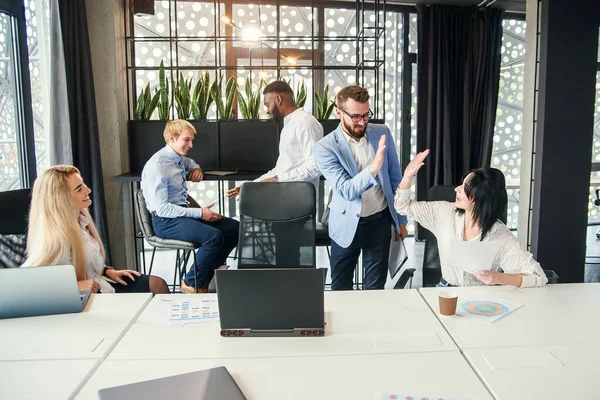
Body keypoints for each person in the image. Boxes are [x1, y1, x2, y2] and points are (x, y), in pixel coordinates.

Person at [394, 149, 547, 288]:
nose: (456, 189)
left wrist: (500, 278)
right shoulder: (444, 213)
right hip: (445, 292)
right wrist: (407, 177)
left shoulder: (500, 236)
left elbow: (538, 277)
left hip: (482, 300)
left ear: (481, 199)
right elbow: (402, 205)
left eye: (465, 188)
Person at [313, 85, 408, 290]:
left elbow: (394, 178)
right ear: (339, 112)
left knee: (375, 289)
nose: (362, 122)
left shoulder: (381, 132)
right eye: (355, 116)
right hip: (346, 224)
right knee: (341, 288)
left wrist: (401, 220)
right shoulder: (325, 147)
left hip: (380, 221)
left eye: (366, 115)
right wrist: (373, 169)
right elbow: (346, 190)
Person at [23, 165, 169, 294]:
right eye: (79, 189)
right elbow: (28, 283)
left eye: (83, 184)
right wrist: (75, 286)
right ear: (61, 199)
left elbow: (85, 259)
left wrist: (107, 270)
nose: (88, 190)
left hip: (100, 282)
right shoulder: (55, 239)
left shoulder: (80, 222)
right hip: (86, 297)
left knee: (158, 284)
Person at [141, 120, 239, 293]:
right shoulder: (159, 165)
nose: (191, 145)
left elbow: (189, 162)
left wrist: (196, 168)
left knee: (234, 228)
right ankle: (191, 283)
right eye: (186, 140)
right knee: (213, 237)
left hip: (182, 216)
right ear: (171, 138)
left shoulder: (177, 158)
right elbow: (163, 208)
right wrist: (200, 213)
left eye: (191, 140)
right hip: (165, 221)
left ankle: (203, 279)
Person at [226, 80, 323, 196]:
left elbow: (316, 165)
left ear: (278, 99)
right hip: (284, 198)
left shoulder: (305, 122)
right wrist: (250, 186)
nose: (267, 110)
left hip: (300, 201)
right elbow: (280, 170)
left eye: (267, 104)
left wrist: (277, 179)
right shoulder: (289, 124)